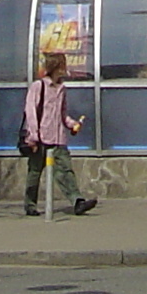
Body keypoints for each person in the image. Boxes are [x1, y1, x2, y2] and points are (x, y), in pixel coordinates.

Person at [21, 51, 95, 217]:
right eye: (62, 65)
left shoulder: (62, 89)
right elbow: (30, 111)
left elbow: (62, 114)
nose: (65, 69)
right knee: (34, 173)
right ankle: (30, 205)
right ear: (56, 67)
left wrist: (72, 124)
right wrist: (33, 135)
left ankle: (77, 201)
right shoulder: (38, 86)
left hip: (58, 138)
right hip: (40, 138)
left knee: (65, 170)